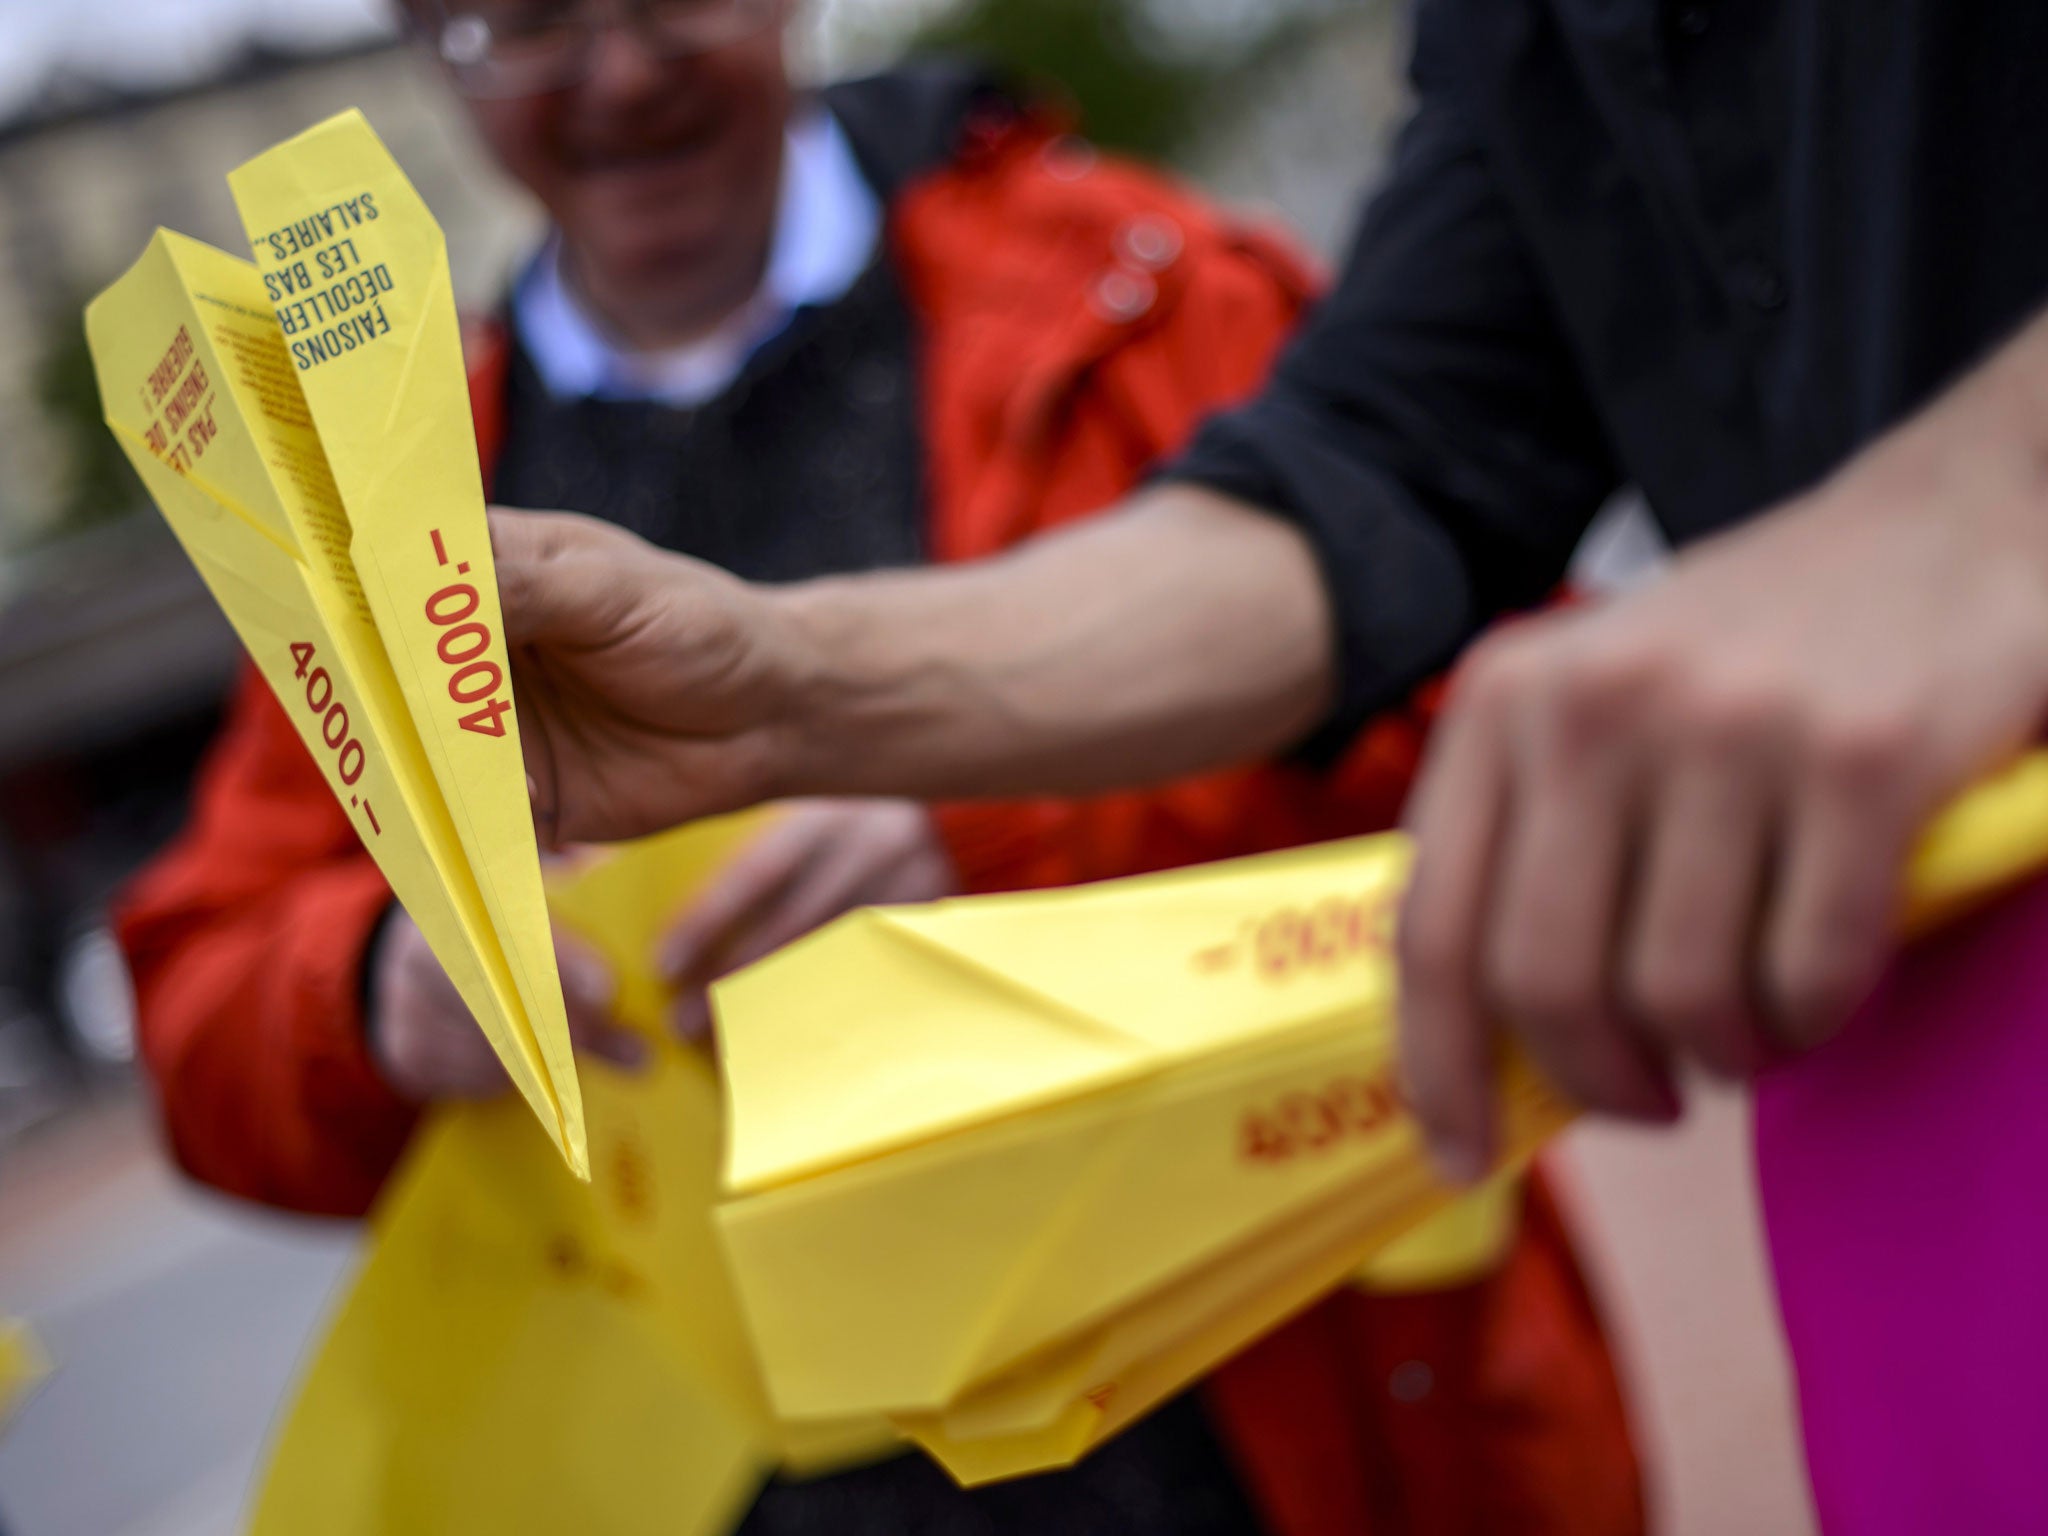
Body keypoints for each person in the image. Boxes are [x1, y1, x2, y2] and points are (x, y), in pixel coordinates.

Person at [117, 2, 1644, 1532]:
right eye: (529, 21)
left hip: (1261, 1425)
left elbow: (1510, 732)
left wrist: (991, 828)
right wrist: (374, 982)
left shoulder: (1139, 292)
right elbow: (201, 997)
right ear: (428, 42)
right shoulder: (395, 484)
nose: (621, 74)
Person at [483, 0, 2048, 1184]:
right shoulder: (464, 432)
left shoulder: (1126, 264)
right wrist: (794, 688)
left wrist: (1981, 498)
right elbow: (1392, 469)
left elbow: (1441, 717)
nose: (618, 71)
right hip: (1896, 1047)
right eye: (529, 19)